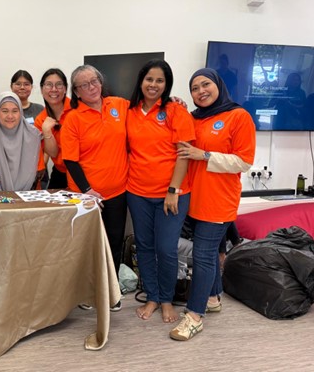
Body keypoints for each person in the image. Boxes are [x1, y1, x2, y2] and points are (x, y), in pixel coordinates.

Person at [170, 68, 255, 341]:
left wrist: (205, 155)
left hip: (218, 199)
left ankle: (195, 316)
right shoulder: (194, 118)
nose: (200, 91)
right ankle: (214, 298)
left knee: (203, 255)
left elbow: (244, 161)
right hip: (194, 197)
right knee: (211, 251)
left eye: (205, 84)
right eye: (194, 88)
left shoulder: (238, 116)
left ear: (218, 85)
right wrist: (178, 108)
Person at [126, 59, 195, 323]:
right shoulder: (130, 111)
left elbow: (184, 154)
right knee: (144, 246)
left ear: (167, 85)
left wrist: (173, 190)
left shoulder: (176, 111)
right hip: (137, 192)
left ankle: (167, 299)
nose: (153, 85)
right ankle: (152, 297)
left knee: (166, 248)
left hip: (171, 194)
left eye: (160, 80)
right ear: (141, 81)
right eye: (149, 79)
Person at [60, 64, 129, 312]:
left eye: (94, 81)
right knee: (87, 246)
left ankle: (112, 292)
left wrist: (172, 101)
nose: (91, 87)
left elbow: (147, 110)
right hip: (87, 196)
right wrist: (88, 190)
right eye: (84, 85)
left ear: (101, 82)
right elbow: (70, 160)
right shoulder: (73, 118)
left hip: (118, 192)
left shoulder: (119, 105)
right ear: (76, 92)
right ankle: (87, 292)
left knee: (114, 243)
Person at [0, 92, 44, 192]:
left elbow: (38, 172)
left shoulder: (33, 136)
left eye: (15, 111)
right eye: (5, 111)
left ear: (21, 112)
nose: (10, 116)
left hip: (29, 196)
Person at [34, 68, 72, 189]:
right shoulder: (41, 119)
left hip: (84, 171)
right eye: (49, 85)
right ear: (42, 89)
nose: (54, 89)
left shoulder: (77, 109)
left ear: (65, 88)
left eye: (59, 85)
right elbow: (53, 153)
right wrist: (46, 131)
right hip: (61, 171)